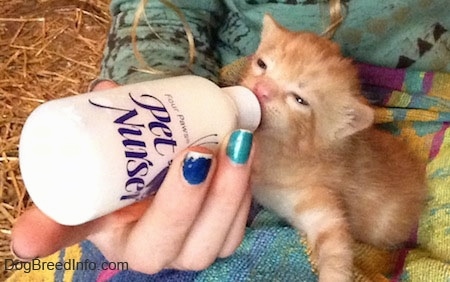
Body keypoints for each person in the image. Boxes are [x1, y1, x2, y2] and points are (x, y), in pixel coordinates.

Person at [10, 0, 450, 281]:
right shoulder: (246, 87)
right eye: (263, 66)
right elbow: (163, 11)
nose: (263, 90)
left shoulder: (322, 154)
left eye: (296, 97)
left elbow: (327, 227)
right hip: (203, 89)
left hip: (428, 102)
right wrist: (147, 107)